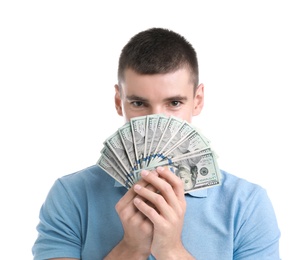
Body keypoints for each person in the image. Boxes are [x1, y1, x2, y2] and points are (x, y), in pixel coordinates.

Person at [32, 27, 280, 260]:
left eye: (174, 103)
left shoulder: (247, 205)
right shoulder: (71, 195)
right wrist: (130, 248)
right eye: (139, 104)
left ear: (198, 99)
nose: (156, 122)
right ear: (119, 102)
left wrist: (171, 250)